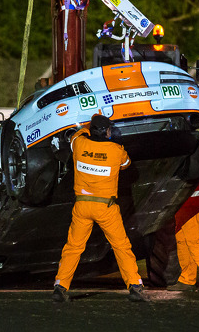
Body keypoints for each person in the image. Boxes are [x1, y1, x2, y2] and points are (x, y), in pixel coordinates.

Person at [52, 114, 146, 302]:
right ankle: (134, 285)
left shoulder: (79, 144)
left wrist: (88, 126)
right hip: (106, 207)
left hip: (82, 205)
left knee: (73, 247)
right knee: (121, 246)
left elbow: (76, 134)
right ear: (106, 131)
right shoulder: (116, 150)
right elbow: (127, 165)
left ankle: (61, 285)